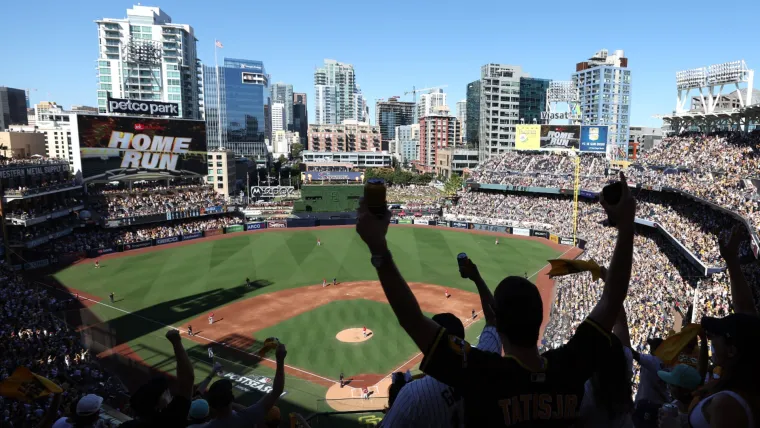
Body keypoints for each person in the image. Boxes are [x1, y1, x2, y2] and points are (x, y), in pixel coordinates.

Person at [355, 171, 635, 426]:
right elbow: (613, 298)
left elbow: (412, 319)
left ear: (499, 322)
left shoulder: (485, 374)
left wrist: (378, 247)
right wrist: (626, 225)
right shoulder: (569, 368)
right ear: (539, 320)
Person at [678, 227, 760, 428]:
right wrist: (731, 260)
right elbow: (746, 312)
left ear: (732, 350)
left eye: (717, 335)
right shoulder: (743, 378)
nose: (712, 338)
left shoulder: (728, 405)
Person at [121, 329, 195, 427]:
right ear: (158, 404)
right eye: (166, 392)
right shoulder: (171, 420)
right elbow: (187, 380)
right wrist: (176, 341)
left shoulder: (127, 426)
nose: (170, 394)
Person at [202, 343, 287, 428]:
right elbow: (277, 390)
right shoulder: (245, 418)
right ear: (231, 398)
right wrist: (280, 360)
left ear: (211, 405)